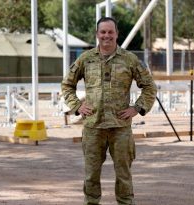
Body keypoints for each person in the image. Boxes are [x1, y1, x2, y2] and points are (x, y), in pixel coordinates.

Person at [61, 17, 157, 205]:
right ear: (97, 34)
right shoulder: (86, 59)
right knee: (91, 176)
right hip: (93, 127)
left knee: (123, 175)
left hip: (120, 128)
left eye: (110, 32)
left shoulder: (129, 59)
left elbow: (149, 87)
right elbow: (67, 85)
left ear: (117, 34)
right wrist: (77, 106)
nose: (107, 36)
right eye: (103, 32)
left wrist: (137, 108)